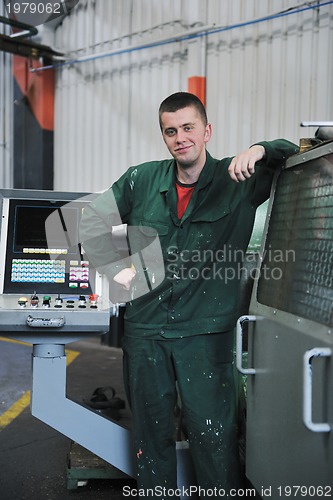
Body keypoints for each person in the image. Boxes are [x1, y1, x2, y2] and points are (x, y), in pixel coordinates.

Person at [79, 92, 299, 497]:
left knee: (213, 435)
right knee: (151, 433)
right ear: (164, 137)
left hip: (205, 334)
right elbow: (91, 218)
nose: (180, 137)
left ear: (206, 131)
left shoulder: (240, 181)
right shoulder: (141, 179)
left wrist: (258, 148)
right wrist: (114, 268)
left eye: (188, 128)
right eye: (171, 131)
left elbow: (292, 154)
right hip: (145, 330)